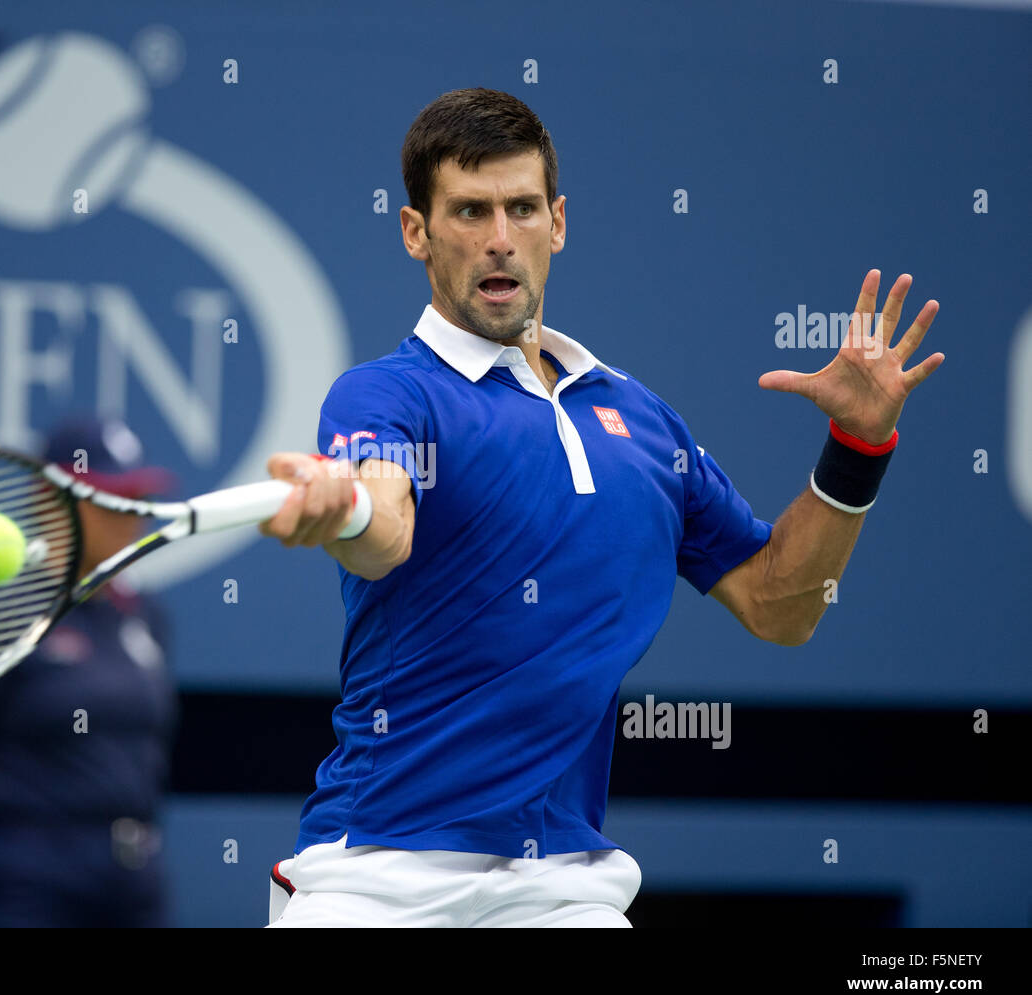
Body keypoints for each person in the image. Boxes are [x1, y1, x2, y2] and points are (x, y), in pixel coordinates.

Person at [258, 87, 943, 928]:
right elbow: (385, 524)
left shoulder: (644, 424)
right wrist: (348, 511)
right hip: (377, 871)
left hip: (565, 889)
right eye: (470, 211)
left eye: (522, 208)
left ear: (559, 223)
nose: (500, 238)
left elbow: (778, 605)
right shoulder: (386, 395)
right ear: (416, 233)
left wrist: (857, 449)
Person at [0, 419, 179, 927]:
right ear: (51, 501)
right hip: (23, 877)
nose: (131, 515)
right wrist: (17, 835)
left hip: (135, 879)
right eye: (110, 499)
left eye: (136, 496)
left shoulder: (145, 615)